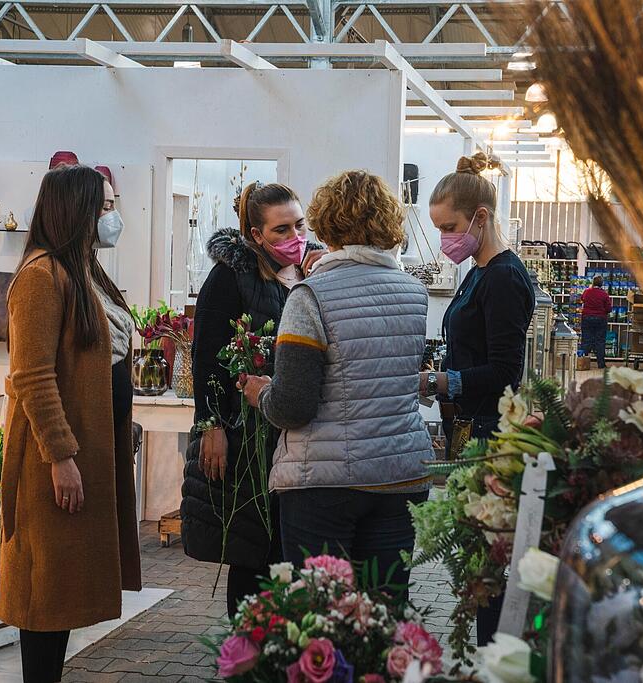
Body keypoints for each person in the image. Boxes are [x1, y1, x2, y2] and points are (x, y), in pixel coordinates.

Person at [239, 170, 432, 597]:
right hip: (398, 476)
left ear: (326, 224)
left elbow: (293, 405)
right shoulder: (414, 293)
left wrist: (260, 394)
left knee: (326, 617)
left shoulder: (310, 296)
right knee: (385, 610)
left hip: (324, 484)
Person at [0, 165, 141, 683]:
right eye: (103, 206)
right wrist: (61, 456)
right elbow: (33, 378)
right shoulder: (40, 277)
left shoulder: (78, 271)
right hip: (51, 463)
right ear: (75, 211)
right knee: (44, 597)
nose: (111, 215)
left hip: (79, 455)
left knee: (60, 596)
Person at [181, 182, 323, 618]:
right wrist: (212, 425)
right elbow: (206, 357)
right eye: (280, 230)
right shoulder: (232, 276)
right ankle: (247, 648)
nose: (293, 237)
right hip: (247, 437)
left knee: (291, 551)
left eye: (299, 224)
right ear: (254, 235)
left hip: (299, 434)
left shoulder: (313, 269)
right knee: (251, 549)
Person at [419, 151, 535, 644]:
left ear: (480, 218)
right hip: (468, 430)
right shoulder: (478, 272)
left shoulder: (504, 277)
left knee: (487, 564)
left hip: (489, 436)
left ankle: (492, 654)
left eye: (450, 227)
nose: (446, 239)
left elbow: (507, 370)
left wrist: (445, 382)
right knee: (476, 561)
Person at [580, 275, 611, 369]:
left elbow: (582, 299)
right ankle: (601, 364)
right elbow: (609, 308)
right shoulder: (604, 294)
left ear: (593, 283)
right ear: (602, 284)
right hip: (600, 319)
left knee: (586, 340)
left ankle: (582, 363)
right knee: (600, 341)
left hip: (587, 317)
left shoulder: (587, 292)